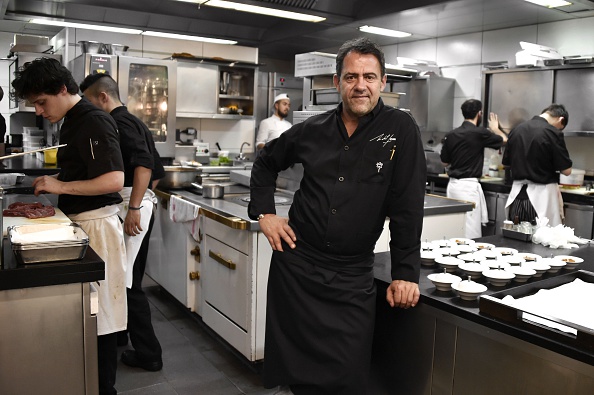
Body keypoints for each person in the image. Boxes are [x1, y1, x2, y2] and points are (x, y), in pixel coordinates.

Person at [248, 37, 426, 395]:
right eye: (351, 77)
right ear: (337, 82)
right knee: (296, 377)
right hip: (297, 269)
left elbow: (407, 207)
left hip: (351, 275)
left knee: (348, 376)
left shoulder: (401, 131)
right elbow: (265, 162)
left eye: (369, 77)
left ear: (383, 82)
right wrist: (265, 214)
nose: (360, 85)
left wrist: (405, 273)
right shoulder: (312, 129)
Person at [11, 57, 126, 395]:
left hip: (99, 227)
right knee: (90, 314)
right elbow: (85, 172)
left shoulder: (94, 121)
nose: (39, 111)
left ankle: (105, 389)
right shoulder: (72, 120)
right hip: (83, 223)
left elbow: (113, 180)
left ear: (62, 89)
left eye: (42, 102)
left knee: (102, 317)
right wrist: (58, 179)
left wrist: (59, 186)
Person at [80, 74, 164, 372]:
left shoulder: (121, 122)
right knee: (130, 277)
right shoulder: (135, 120)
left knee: (128, 283)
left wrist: (135, 206)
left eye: (89, 101)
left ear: (103, 97)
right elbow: (158, 169)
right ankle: (121, 336)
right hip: (138, 203)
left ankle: (149, 353)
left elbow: (145, 164)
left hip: (133, 206)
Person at [440, 99, 508, 239]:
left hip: (453, 186)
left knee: (453, 225)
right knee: (470, 230)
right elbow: (505, 140)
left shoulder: (451, 134)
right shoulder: (479, 133)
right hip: (468, 188)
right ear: (479, 113)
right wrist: (495, 128)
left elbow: (444, 162)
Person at [502, 104, 572, 227]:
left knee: (516, 238)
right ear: (561, 119)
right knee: (540, 241)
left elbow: (506, 163)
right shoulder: (553, 133)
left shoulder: (516, 130)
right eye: (560, 128)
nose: (559, 130)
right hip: (541, 199)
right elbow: (566, 171)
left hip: (517, 198)